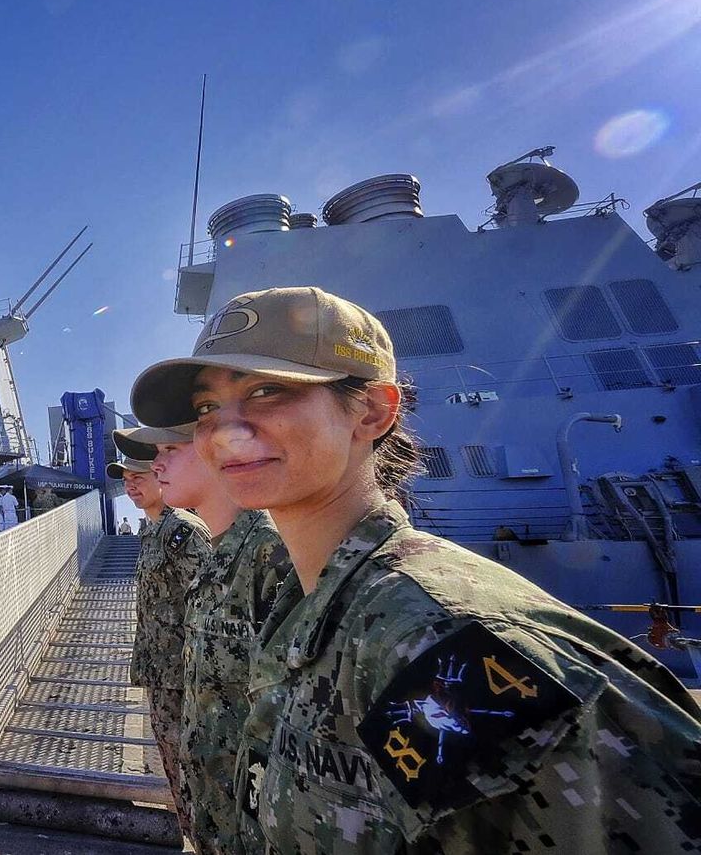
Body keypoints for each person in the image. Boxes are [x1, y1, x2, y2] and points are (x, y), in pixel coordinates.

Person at [131, 285, 701, 853]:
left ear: (374, 411)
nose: (226, 431)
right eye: (208, 408)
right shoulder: (309, 606)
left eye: (269, 391)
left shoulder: (443, 638)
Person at [117, 422, 291, 855]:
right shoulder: (172, 534)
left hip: (236, 771)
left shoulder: (261, 551)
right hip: (178, 689)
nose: (155, 468)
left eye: (170, 450)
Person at [109, 430, 210, 802]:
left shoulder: (183, 530)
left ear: (160, 477)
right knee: (176, 775)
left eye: (138, 477)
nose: (130, 486)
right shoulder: (154, 533)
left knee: (193, 781)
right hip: (162, 675)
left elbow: (206, 607)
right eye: (125, 481)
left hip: (185, 679)